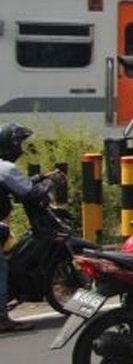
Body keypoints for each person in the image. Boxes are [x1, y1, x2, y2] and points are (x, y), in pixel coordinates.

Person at [1, 123, 65, 333]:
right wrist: (49, 183)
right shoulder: (6, 168)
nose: (21, 148)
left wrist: (42, 177)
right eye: (19, 143)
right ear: (10, 146)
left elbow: (22, 184)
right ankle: (1, 318)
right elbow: (31, 193)